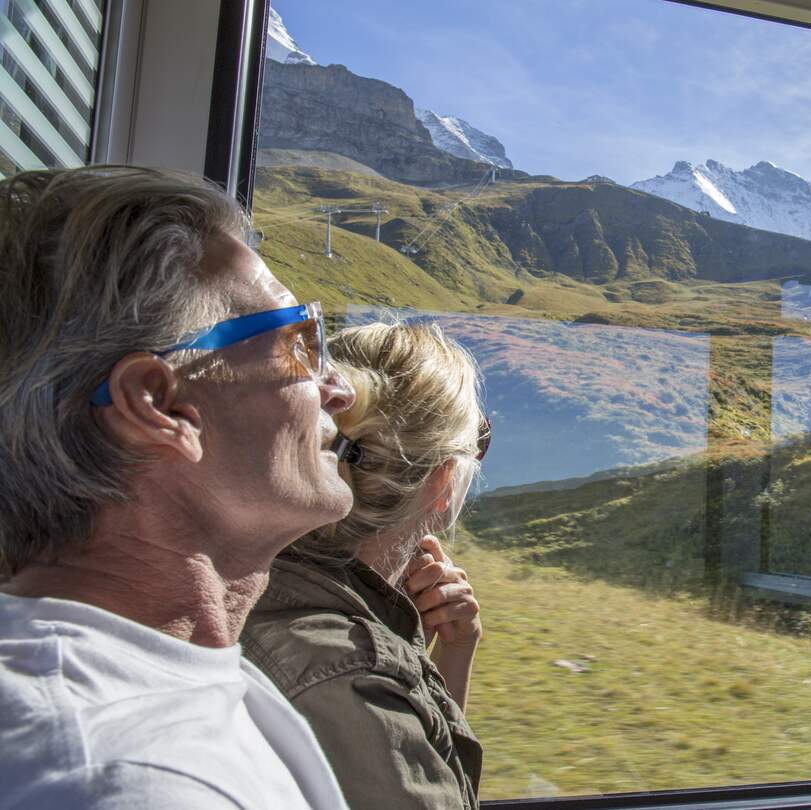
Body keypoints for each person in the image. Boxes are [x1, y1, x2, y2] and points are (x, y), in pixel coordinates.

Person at [0, 166, 356, 808]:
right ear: (160, 407)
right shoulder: (120, 777)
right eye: (303, 342)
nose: (340, 389)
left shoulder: (175, 675)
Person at [242, 321, 488, 810]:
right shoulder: (354, 678)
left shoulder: (251, 579)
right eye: (474, 446)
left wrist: (449, 655)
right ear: (441, 484)